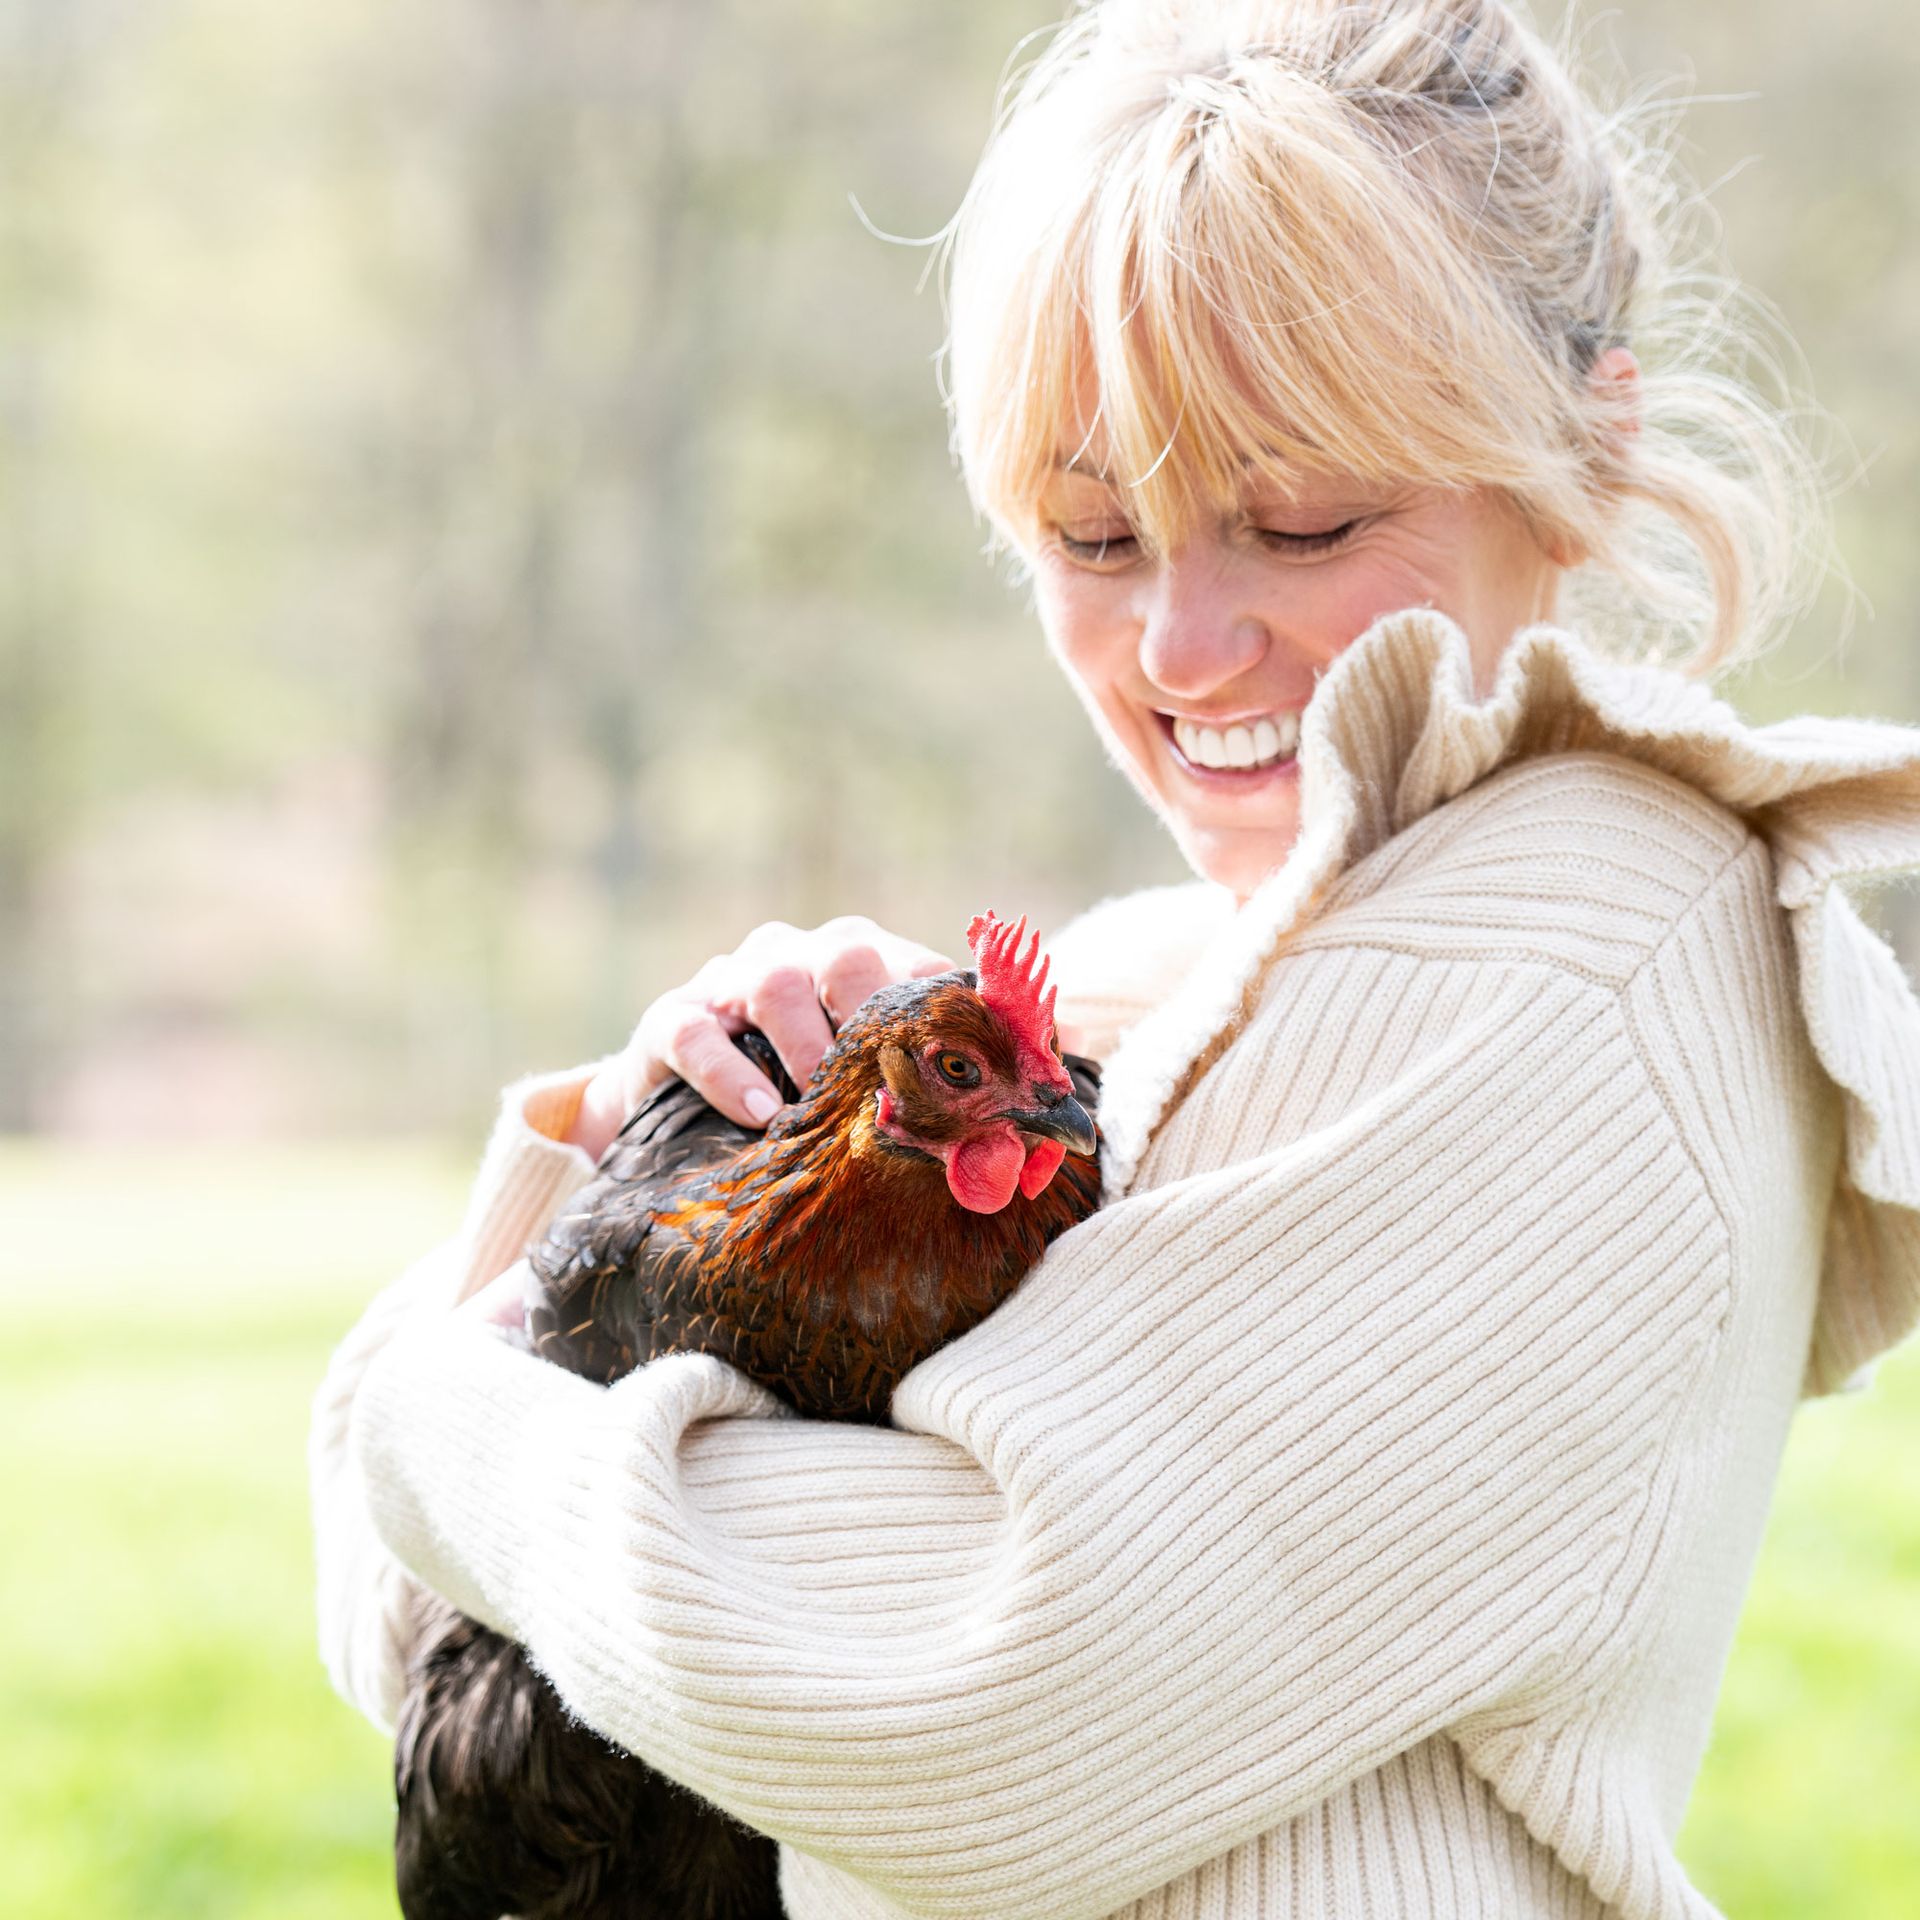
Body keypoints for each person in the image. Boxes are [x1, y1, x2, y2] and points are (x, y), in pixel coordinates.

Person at [311, 3, 1920, 1914]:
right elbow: (409, 1638)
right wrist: (639, 1166)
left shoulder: (1580, 949)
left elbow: (961, 1702)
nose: (1177, 645)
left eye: (1302, 517)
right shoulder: (1144, 985)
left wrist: (454, 1405)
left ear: (1585, 452)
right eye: (1091, 534)